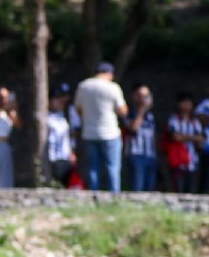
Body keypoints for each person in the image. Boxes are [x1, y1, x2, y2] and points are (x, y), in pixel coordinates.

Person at [74, 62, 128, 192]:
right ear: (109, 74)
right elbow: (123, 111)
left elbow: (78, 109)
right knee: (112, 167)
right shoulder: (112, 87)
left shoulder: (83, 86)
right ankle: (114, 196)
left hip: (89, 133)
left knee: (93, 167)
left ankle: (94, 196)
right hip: (110, 133)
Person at [166, 92, 203, 193]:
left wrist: (185, 137)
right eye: (184, 102)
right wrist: (193, 138)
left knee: (190, 189)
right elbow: (176, 137)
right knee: (178, 188)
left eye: (188, 103)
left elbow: (200, 139)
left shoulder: (195, 121)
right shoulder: (174, 119)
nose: (186, 105)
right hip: (178, 160)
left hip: (192, 160)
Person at [123, 83, 157, 192]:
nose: (143, 99)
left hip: (150, 155)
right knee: (137, 188)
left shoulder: (150, 115)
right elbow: (133, 128)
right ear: (133, 96)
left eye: (146, 96)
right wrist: (141, 111)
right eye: (140, 95)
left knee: (149, 188)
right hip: (135, 154)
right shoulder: (128, 112)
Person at [46, 83, 76, 186]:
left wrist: (71, 152)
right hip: (52, 157)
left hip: (64, 156)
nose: (59, 102)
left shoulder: (62, 115)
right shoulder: (46, 116)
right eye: (56, 99)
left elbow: (68, 136)